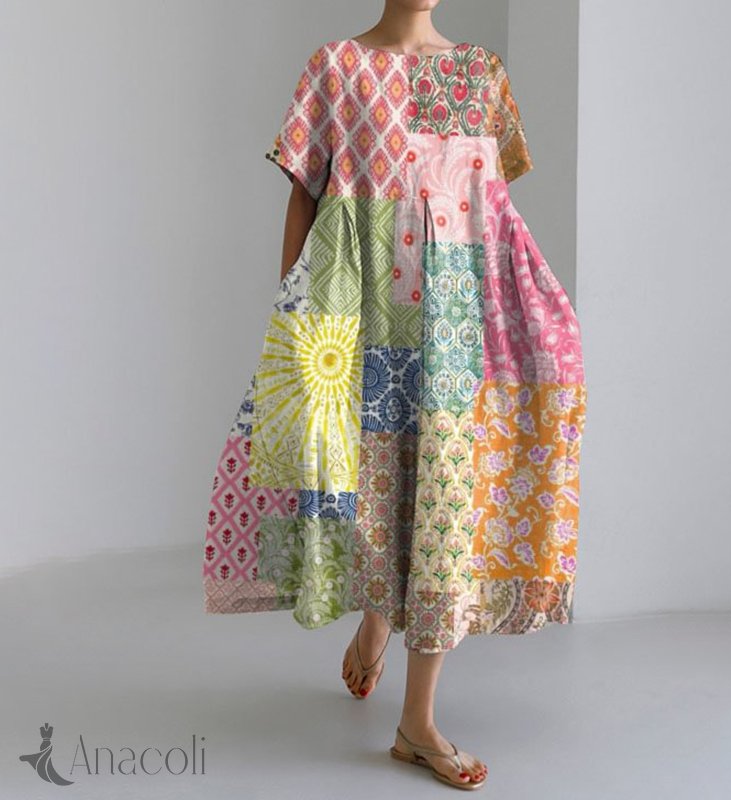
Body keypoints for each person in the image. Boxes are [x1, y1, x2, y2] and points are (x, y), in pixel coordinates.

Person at [203, 0, 587, 790]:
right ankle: (378, 616)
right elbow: (305, 193)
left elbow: (491, 209)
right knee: (372, 482)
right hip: (359, 314)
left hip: (451, 324)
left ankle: (418, 721)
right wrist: (294, 313)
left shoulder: (478, 73)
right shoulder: (336, 67)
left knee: (441, 499)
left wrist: (536, 313)